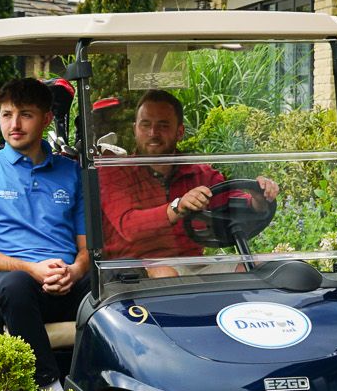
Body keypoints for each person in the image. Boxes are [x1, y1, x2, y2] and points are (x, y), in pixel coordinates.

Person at [0, 77, 89, 390]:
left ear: (47, 119)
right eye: (6, 115)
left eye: (25, 114)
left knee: (113, 282)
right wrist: (31, 269)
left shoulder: (71, 173)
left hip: (68, 280)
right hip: (16, 287)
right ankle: (47, 386)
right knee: (15, 286)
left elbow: (88, 248)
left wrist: (75, 269)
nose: (14, 124)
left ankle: (113, 381)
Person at [98, 89, 277, 277]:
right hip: (132, 270)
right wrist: (177, 207)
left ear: (180, 132)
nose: (153, 133)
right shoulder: (115, 171)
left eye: (163, 125)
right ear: (135, 129)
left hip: (191, 264)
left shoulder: (198, 173)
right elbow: (129, 228)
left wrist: (258, 199)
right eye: (145, 125)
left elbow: (230, 202)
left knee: (263, 267)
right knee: (165, 275)